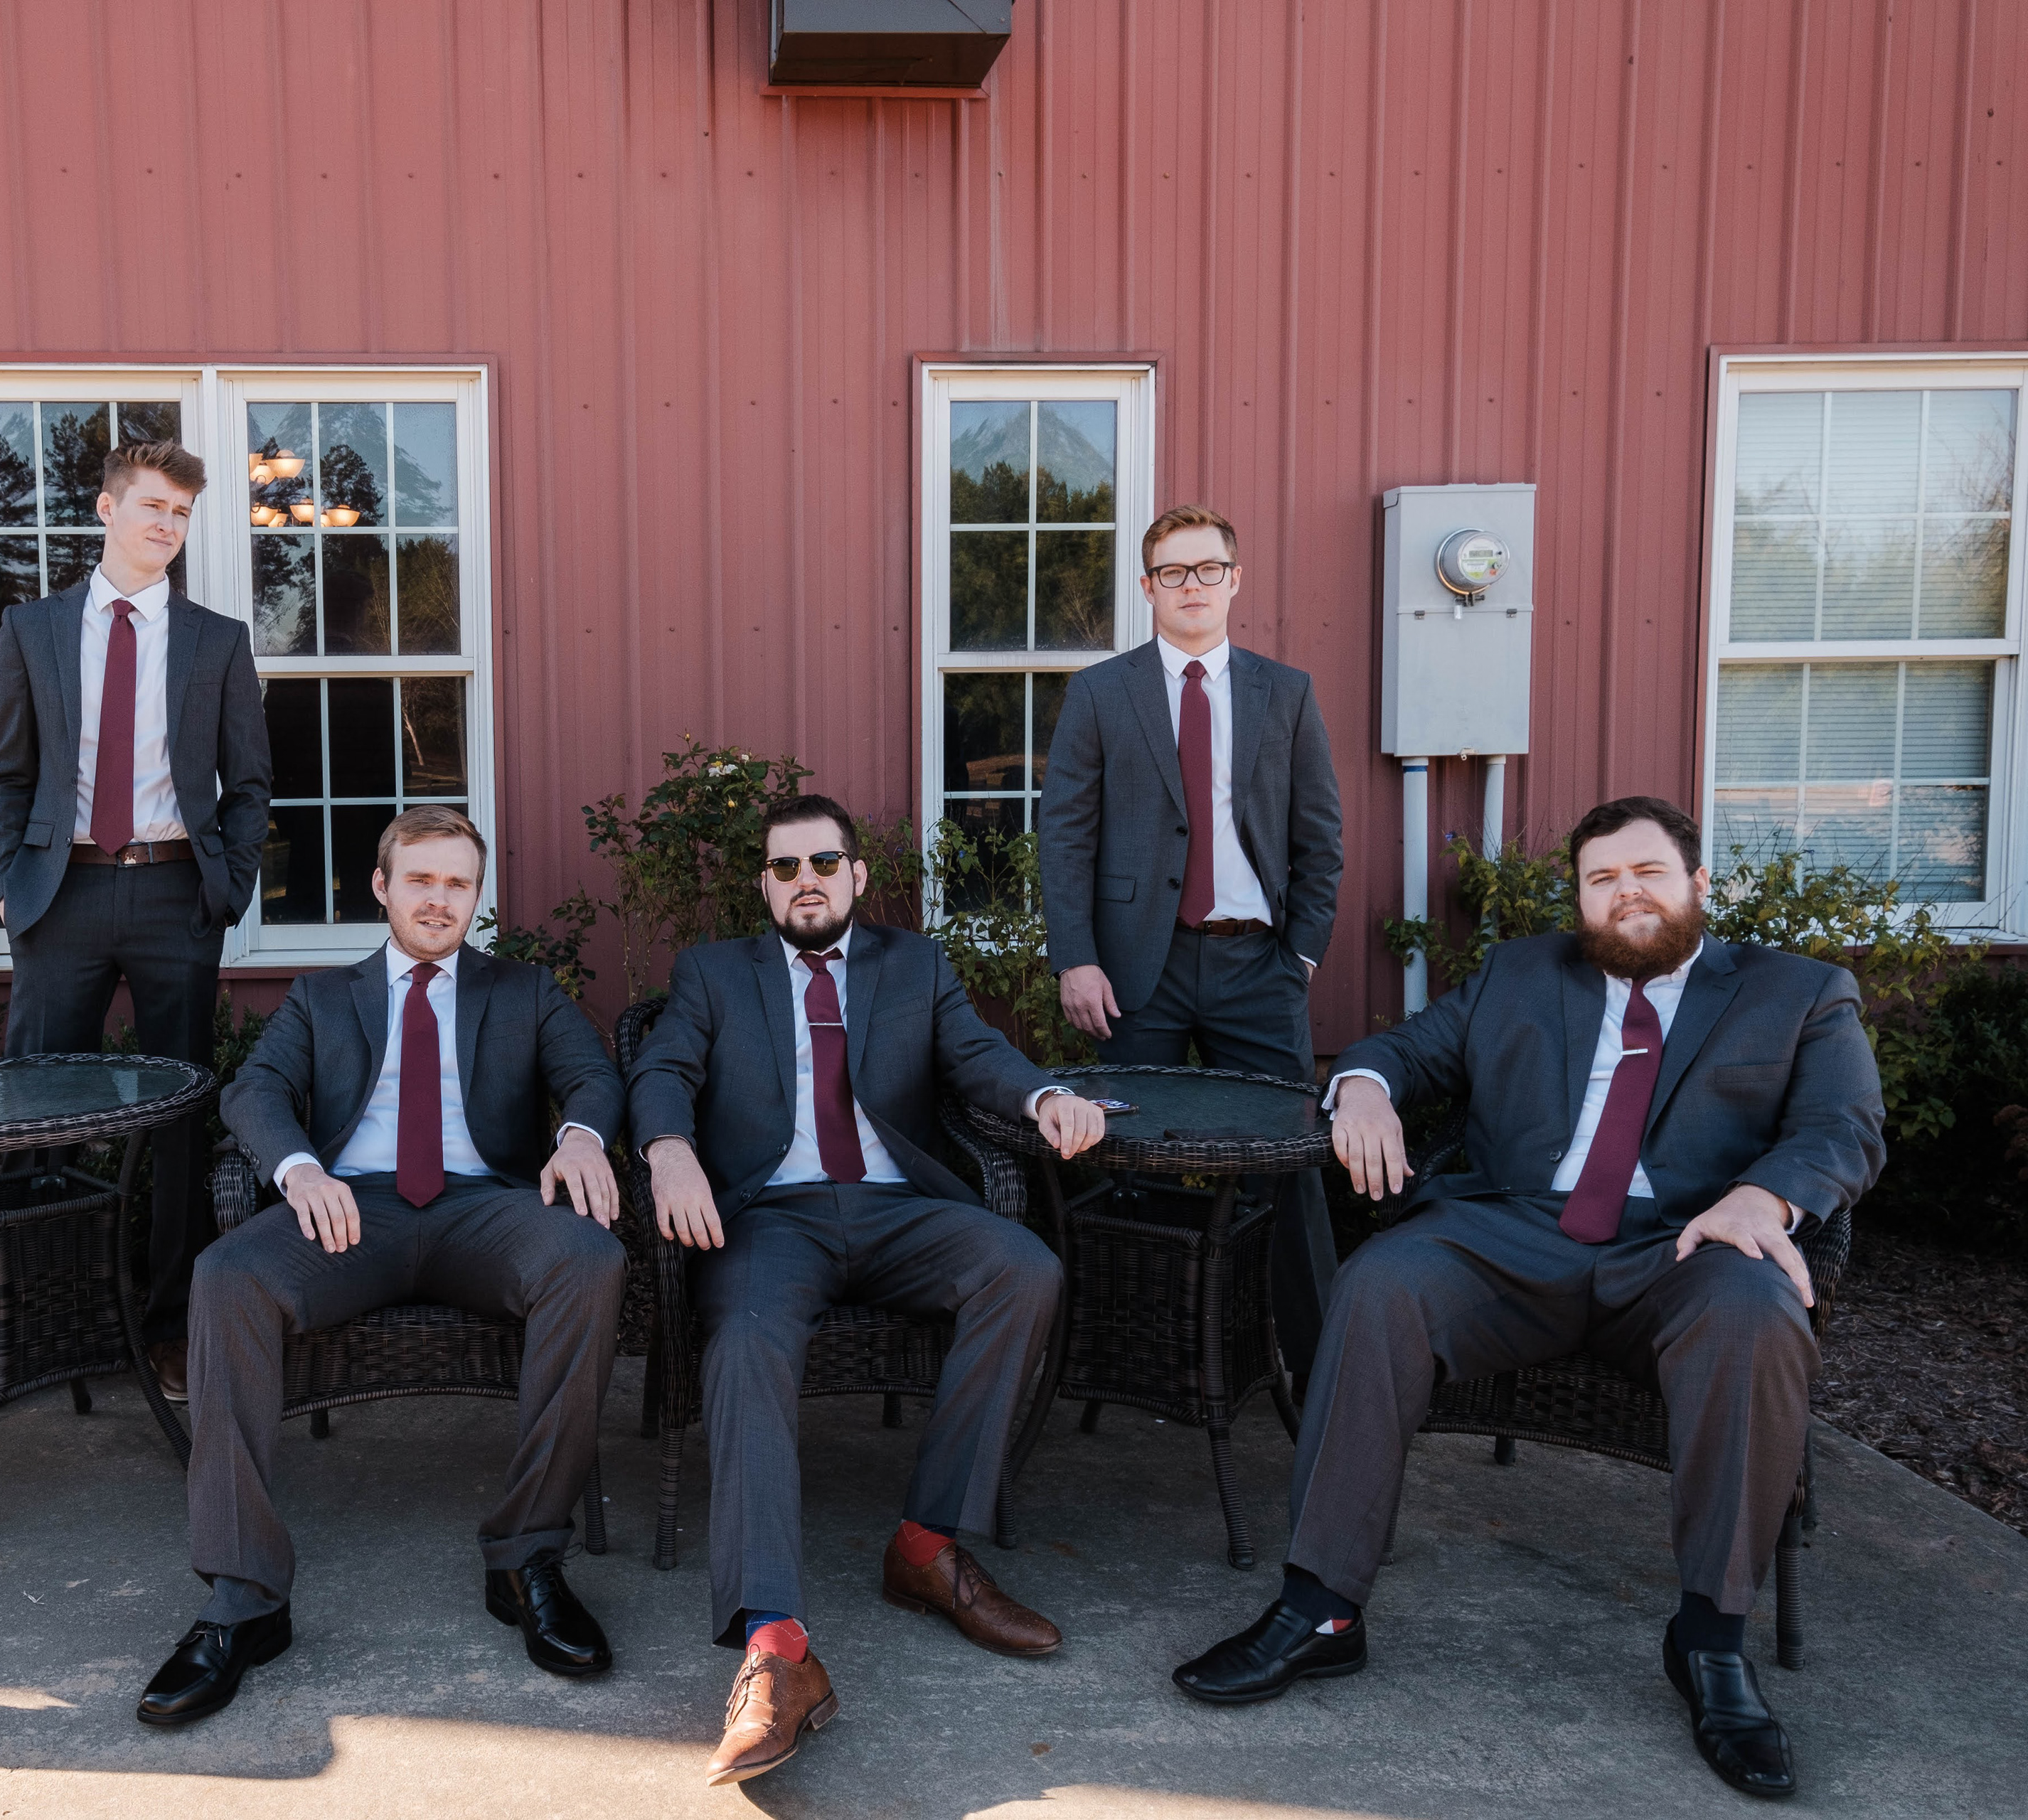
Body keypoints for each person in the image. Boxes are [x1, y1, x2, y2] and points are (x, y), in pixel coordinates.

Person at [1173, 796, 1884, 1804]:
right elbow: (1402, 1050)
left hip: (1690, 1245)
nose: (1626, 893)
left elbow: (1844, 1127)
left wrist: (1761, 1198)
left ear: (1698, 885)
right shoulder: (1519, 973)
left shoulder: (1797, 992)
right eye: (1602, 879)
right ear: (1580, 899)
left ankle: (1711, 1640)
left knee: (1755, 1313)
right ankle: (1321, 1607)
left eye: (1648, 871)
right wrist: (1364, 1087)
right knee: (1381, 1284)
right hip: (1516, 1235)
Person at [630, 794, 1105, 1787]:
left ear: (856, 874)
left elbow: (977, 1056)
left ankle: (926, 1546)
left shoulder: (915, 964)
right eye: (785, 867)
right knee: (745, 1341)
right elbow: (664, 1068)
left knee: (1024, 1268)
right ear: (765, 885)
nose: (805, 881)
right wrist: (668, 1148)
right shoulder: (715, 973)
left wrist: (1045, 1094)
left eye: (823, 863)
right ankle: (777, 1647)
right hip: (773, 1219)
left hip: (898, 1210)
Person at [138, 807, 627, 1727]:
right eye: (421, 880)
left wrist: (579, 1136)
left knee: (590, 1258)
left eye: (458, 884)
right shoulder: (325, 997)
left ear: (476, 896)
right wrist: (299, 1168)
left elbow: (592, 1074)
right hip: (350, 1212)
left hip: (483, 1210)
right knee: (227, 1275)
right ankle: (244, 1597)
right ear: (382, 886)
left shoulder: (523, 990)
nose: (440, 900)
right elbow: (256, 1089)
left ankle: (526, 1556)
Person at [0, 437, 272, 1401]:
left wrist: (226, 886)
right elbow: (7, 775)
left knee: (180, 1113)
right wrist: (8, 882)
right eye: (152, 505)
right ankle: (47, 1318)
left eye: (181, 513)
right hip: (58, 893)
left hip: (173, 893)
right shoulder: (32, 629)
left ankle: (170, 1324)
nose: (167, 525)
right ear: (107, 510)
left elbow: (250, 783)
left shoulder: (216, 640)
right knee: (40, 1110)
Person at [1037, 503, 1345, 1372]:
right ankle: (1137, 1357)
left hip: (1259, 964)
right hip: (1141, 967)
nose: (1193, 586)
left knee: (1289, 1159)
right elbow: (1065, 834)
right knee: (1132, 1161)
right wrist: (1076, 956)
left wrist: (1301, 955)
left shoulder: (1286, 693)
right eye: (1173, 572)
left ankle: (1314, 1361)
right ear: (1148, 587)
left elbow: (1320, 836)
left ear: (1235, 579)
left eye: (1209, 569)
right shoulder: (1102, 693)